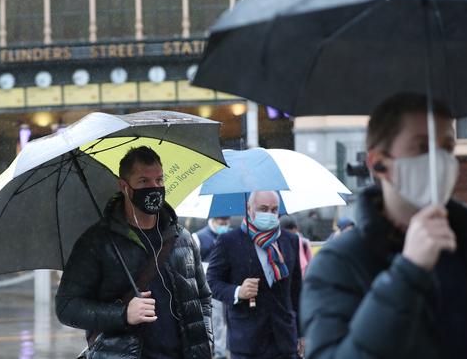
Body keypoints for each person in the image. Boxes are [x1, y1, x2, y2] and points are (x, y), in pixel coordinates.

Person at [300, 93, 467, 359]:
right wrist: (408, 273)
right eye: (423, 147)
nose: (440, 160)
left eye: (447, 148)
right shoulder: (336, 264)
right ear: (379, 163)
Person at [55, 146, 213, 358]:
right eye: (143, 181)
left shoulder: (181, 238)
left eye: (159, 180)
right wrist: (123, 314)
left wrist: (206, 341)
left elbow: (202, 298)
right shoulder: (98, 242)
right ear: (124, 186)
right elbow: (67, 307)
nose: (154, 187)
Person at [207, 191, 303, 359]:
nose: (270, 215)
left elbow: (296, 291)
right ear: (249, 208)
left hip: (284, 339)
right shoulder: (228, 241)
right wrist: (238, 292)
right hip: (247, 341)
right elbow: (212, 282)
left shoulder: (290, 240)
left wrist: (301, 332)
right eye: (263, 209)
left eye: (274, 210)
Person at [193, 217, 232, 359]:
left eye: (227, 223)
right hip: (207, 286)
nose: (224, 225)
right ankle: (214, 352)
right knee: (214, 321)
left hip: (226, 285)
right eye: (221, 223)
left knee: (225, 320)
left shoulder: (230, 236)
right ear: (214, 220)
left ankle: (222, 352)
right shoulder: (199, 237)